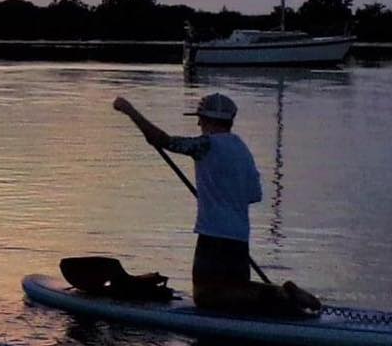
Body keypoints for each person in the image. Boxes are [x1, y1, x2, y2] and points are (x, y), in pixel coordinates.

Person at [112, 91, 319, 316]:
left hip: (213, 238)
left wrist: (129, 110)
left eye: (200, 118)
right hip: (240, 239)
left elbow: (161, 140)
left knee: (205, 296)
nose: (199, 123)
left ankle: (281, 294)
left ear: (210, 120)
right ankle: (280, 295)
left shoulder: (206, 145)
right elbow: (253, 195)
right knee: (235, 295)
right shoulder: (242, 150)